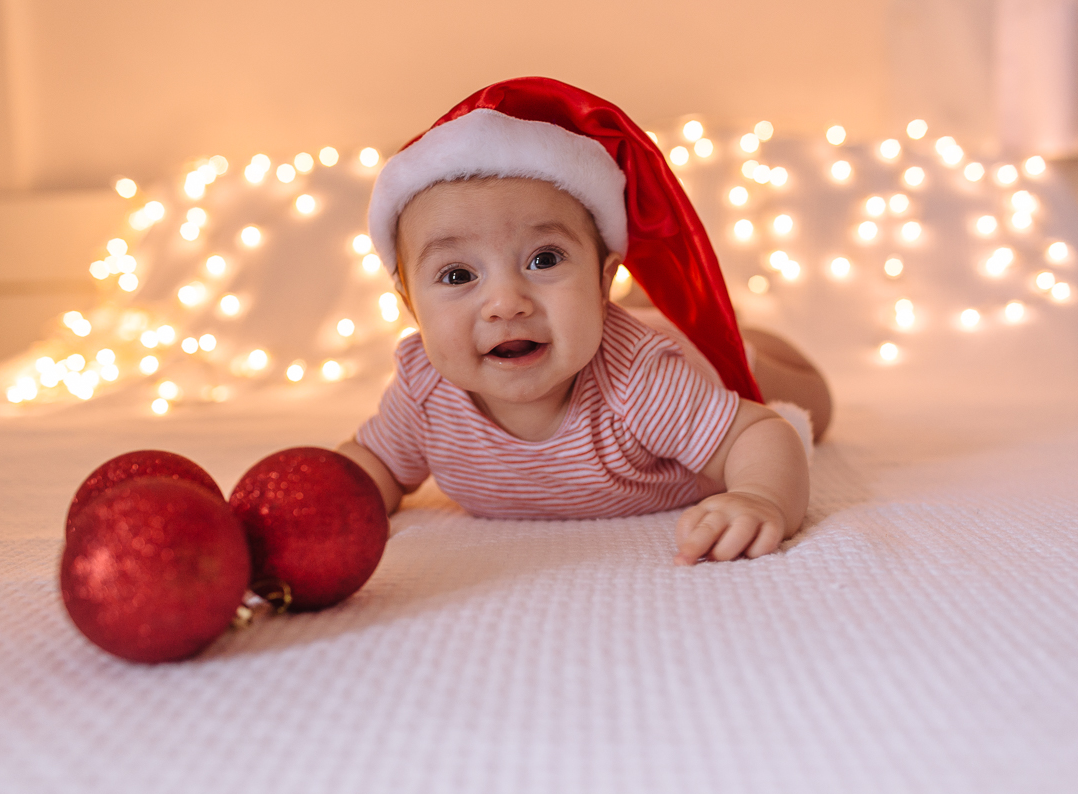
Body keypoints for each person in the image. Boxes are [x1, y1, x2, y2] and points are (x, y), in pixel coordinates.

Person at [337, 78, 831, 565]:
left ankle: (730, 335)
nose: (506, 303)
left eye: (544, 260)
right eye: (459, 274)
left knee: (810, 405)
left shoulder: (639, 379)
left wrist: (761, 497)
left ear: (601, 281)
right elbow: (375, 465)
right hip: (620, 326)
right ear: (410, 308)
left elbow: (758, 434)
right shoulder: (424, 394)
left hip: (686, 356)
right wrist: (321, 497)